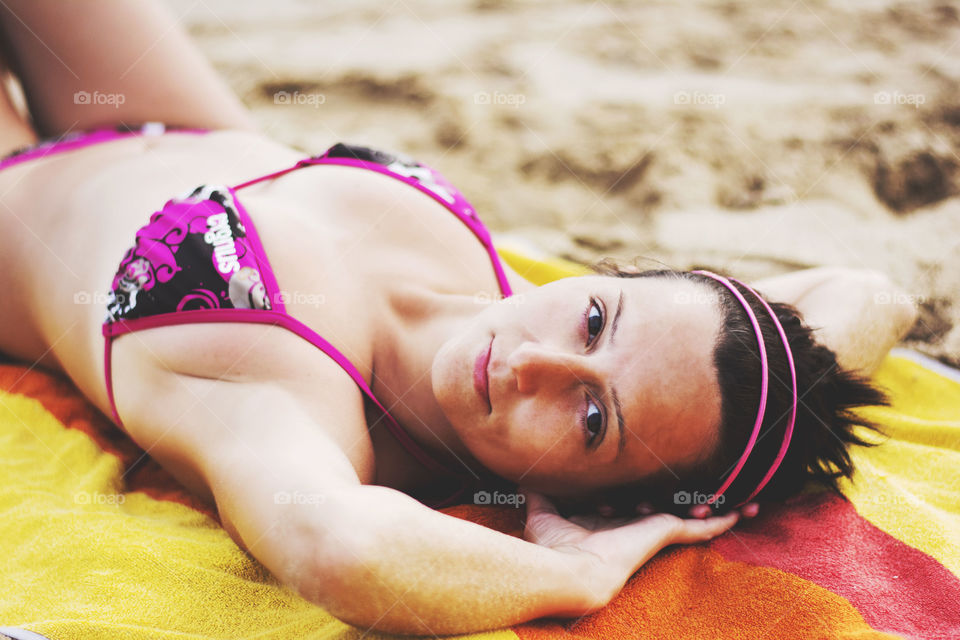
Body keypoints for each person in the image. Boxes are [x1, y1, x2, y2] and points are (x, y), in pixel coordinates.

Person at [0, 1, 918, 635]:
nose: (536, 365)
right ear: (621, 276)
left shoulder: (292, 392)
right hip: (162, 114)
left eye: (591, 419)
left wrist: (582, 571)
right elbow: (868, 293)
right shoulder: (592, 330)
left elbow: (339, 547)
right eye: (597, 318)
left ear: (582, 501)